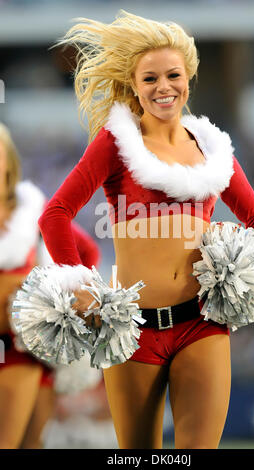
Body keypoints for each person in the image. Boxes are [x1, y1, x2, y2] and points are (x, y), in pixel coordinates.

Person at [38, 11, 254, 449]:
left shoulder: (212, 147)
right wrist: (77, 281)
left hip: (201, 327)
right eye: (150, 79)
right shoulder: (115, 142)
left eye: (173, 75)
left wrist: (242, 277)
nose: (163, 87)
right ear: (134, 84)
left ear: (189, 78)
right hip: (131, 331)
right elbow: (54, 214)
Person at [0, 122, 101, 449]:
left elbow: (87, 252)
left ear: (9, 162)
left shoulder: (31, 210)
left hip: (21, 351)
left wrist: (62, 299)